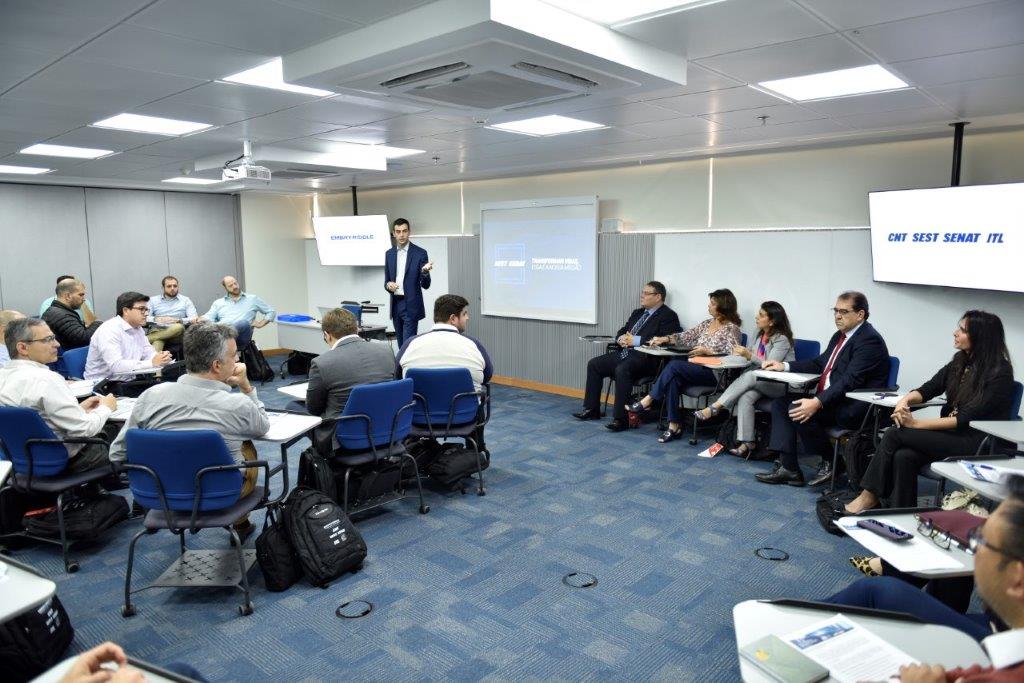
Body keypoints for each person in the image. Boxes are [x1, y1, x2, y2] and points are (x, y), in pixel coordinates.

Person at [824, 474, 1024, 681]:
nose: (973, 549)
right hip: (1004, 628)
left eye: (979, 540)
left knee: (874, 590)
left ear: (1017, 579)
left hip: (998, 630)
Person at [109, 322, 270, 542]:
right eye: (234, 356)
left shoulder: (150, 396)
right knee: (246, 446)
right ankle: (241, 523)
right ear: (216, 365)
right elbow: (262, 426)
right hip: (221, 493)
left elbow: (117, 454)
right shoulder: (237, 405)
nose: (238, 361)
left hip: (158, 493)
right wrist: (246, 386)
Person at [845, 310, 1016, 512]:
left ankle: (868, 496)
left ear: (981, 337)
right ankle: (901, 514)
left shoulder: (1000, 373)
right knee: (904, 456)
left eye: (962, 330)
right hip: (952, 436)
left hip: (977, 442)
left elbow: (965, 419)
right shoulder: (960, 362)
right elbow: (928, 389)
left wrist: (914, 423)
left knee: (893, 434)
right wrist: (905, 401)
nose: (955, 333)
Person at [755, 291, 890, 487]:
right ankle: (789, 468)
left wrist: (817, 402)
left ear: (860, 314)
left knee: (797, 410)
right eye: (835, 310)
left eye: (843, 311)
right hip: (833, 400)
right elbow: (820, 363)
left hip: (853, 406)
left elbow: (849, 381)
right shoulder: (840, 335)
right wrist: (784, 366)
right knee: (780, 404)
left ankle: (832, 462)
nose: (837, 316)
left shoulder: (869, 340)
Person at [0, 318, 118, 473]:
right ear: (23, 347)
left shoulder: (3, 375)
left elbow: (34, 419)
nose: (57, 344)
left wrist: (78, 409)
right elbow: (84, 430)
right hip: (69, 460)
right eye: (48, 340)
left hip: (20, 459)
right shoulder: (47, 379)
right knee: (123, 433)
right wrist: (106, 408)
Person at [626, 288, 742, 442]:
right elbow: (686, 336)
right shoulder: (707, 323)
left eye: (712, 304)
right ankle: (674, 425)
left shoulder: (732, 329)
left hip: (714, 374)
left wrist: (709, 352)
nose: (708, 306)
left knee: (674, 366)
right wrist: (665, 339)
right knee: (673, 379)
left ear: (723, 307)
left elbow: (735, 354)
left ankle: (648, 400)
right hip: (696, 368)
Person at [573, 282, 682, 432]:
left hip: (648, 360)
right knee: (594, 364)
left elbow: (664, 340)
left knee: (622, 369)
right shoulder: (638, 312)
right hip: (626, 354)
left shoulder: (668, 316)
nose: (642, 295)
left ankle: (621, 419)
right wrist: (621, 338)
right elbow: (623, 330)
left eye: (646, 293)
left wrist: (635, 340)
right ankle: (592, 410)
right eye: (642, 292)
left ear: (658, 297)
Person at [692, 301, 796, 457]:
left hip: (779, 385)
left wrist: (749, 355)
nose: (756, 317)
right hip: (758, 381)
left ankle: (715, 407)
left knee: (750, 375)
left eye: (761, 315)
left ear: (772, 321)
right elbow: (752, 358)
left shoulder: (782, 340)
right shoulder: (758, 333)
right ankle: (747, 442)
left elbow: (769, 367)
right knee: (745, 397)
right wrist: (736, 356)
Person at [397, 294, 492, 449]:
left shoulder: (410, 344)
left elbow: (398, 378)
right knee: (481, 393)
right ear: (453, 318)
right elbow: (487, 376)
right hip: (463, 415)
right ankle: (476, 448)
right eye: (465, 314)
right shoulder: (473, 345)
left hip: (419, 416)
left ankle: (412, 450)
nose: (467, 318)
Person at [306, 307, 395, 455]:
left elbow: (313, 408)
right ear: (357, 329)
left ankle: (322, 458)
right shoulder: (386, 351)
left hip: (345, 437)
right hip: (386, 427)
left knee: (294, 406)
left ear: (327, 335)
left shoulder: (322, 363)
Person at [84, 292, 173, 381]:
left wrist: (160, 357)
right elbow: (116, 366)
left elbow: (148, 352)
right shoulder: (109, 330)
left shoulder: (137, 328)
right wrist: (152, 363)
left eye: (146, 309)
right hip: (105, 385)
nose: (146, 313)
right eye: (141, 309)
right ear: (126, 311)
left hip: (128, 380)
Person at [384, 218, 432, 348]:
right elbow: (386, 281)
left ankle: (406, 368)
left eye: (404, 231)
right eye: (398, 231)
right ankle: (401, 368)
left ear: (409, 232)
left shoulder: (420, 253)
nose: (401, 235)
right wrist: (389, 285)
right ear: (393, 233)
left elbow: (426, 285)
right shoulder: (389, 254)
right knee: (401, 345)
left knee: (408, 346)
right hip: (395, 305)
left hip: (410, 305)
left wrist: (425, 272)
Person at [202, 275, 274, 350]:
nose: (235, 286)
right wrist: (199, 320)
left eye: (235, 283)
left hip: (241, 338)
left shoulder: (252, 299)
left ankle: (221, 338)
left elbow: (271, 311)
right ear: (225, 288)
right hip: (221, 333)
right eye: (230, 285)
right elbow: (209, 317)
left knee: (243, 323)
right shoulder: (218, 303)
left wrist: (260, 324)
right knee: (203, 326)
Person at [42, 278, 102, 350]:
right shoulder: (62, 316)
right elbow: (84, 339)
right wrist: (98, 323)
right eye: (81, 295)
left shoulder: (57, 311)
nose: (83, 299)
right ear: (68, 296)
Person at [146, 275, 196, 352]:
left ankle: (146, 339)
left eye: (175, 286)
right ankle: (156, 363)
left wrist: (178, 320)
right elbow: (144, 317)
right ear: (163, 288)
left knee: (178, 327)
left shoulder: (185, 300)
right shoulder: (153, 300)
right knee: (157, 345)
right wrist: (157, 319)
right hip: (158, 330)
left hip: (177, 335)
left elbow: (194, 318)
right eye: (169, 286)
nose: (172, 288)